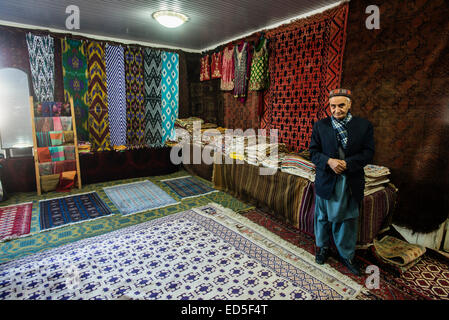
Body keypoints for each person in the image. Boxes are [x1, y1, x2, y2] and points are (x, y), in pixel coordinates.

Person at [309, 88, 374, 276]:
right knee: (322, 216)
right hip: (326, 179)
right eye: (333, 106)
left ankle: (347, 255)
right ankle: (322, 248)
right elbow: (313, 152)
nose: (336, 110)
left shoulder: (364, 126)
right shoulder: (321, 126)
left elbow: (368, 153)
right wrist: (329, 161)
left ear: (350, 104)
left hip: (350, 181)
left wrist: (347, 163)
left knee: (348, 219)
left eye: (341, 105)